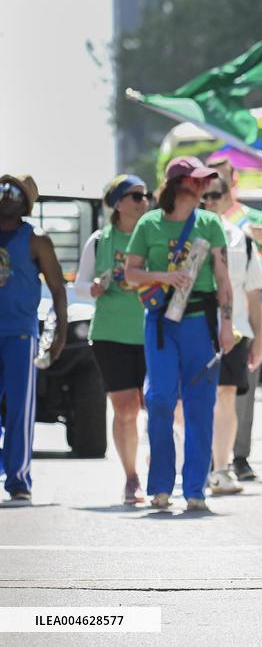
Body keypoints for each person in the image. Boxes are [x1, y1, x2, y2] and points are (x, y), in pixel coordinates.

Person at [125, 157, 234, 512]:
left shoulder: (211, 223)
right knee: (159, 400)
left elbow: (222, 278)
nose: (204, 186)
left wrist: (227, 324)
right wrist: (163, 276)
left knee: (201, 405)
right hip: (160, 324)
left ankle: (195, 490)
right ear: (178, 185)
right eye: (196, 180)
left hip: (200, 324)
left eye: (205, 180)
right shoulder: (149, 224)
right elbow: (131, 273)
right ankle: (159, 487)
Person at [73, 175, 150, 504]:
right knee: (125, 408)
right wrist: (94, 288)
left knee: (158, 405)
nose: (144, 201)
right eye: (136, 196)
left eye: (146, 195)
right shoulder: (99, 240)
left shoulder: (153, 236)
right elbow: (80, 284)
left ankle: (158, 461)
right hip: (110, 333)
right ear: (118, 203)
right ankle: (131, 477)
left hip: (151, 331)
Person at [205, 156, 262, 481]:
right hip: (198, 328)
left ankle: (236, 458)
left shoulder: (248, 222)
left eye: (216, 190)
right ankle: (203, 456)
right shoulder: (182, 228)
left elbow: (259, 283)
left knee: (234, 395)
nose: (209, 198)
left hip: (240, 325)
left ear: (230, 185)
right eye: (204, 190)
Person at [0, 174, 67, 503]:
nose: (7, 196)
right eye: (2, 190)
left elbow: (58, 289)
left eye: (14, 192)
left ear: (25, 202)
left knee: (18, 408)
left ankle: (18, 478)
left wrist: (60, 335)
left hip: (20, 334)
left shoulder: (36, 239)